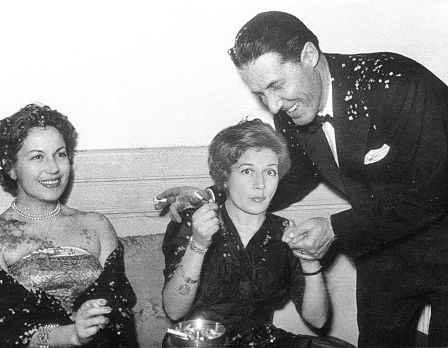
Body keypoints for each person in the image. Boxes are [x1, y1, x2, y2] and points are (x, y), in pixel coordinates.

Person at [156, 11, 448, 347]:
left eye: (276, 85)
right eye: (261, 95)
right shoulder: (293, 109)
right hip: (383, 247)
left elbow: (436, 189)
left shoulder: (396, 82)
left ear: (309, 56)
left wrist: (336, 228)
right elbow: (289, 178)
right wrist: (210, 195)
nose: (274, 106)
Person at [0, 103, 139, 348]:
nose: (53, 168)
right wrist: (72, 335)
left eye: (60, 154)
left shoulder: (97, 226)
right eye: (37, 157)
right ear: (10, 166)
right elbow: (0, 332)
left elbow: (119, 316)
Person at [162, 119, 330, 347]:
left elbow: (318, 320)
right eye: (247, 171)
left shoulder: (283, 231)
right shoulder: (195, 222)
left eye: (270, 172)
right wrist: (199, 244)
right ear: (224, 177)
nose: (260, 184)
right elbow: (174, 310)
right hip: (199, 343)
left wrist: (309, 262)